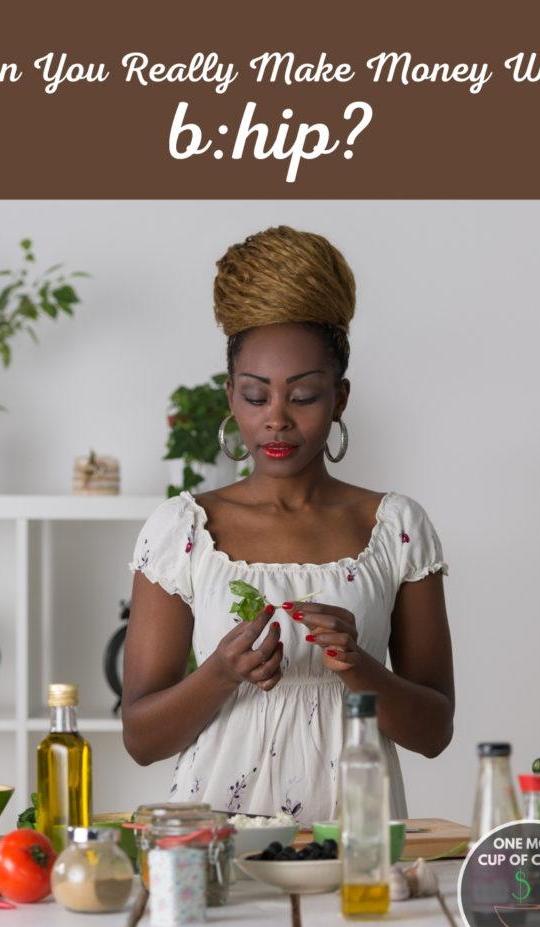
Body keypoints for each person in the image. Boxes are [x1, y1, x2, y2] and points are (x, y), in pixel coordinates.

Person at [123, 225, 454, 824]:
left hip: (360, 840)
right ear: (231, 397)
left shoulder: (397, 527)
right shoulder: (182, 530)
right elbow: (141, 739)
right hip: (212, 843)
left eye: (302, 396)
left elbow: (433, 732)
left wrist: (360, 668)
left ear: (340, 399)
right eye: (255, 396)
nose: (275, 419)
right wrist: (220, 675)